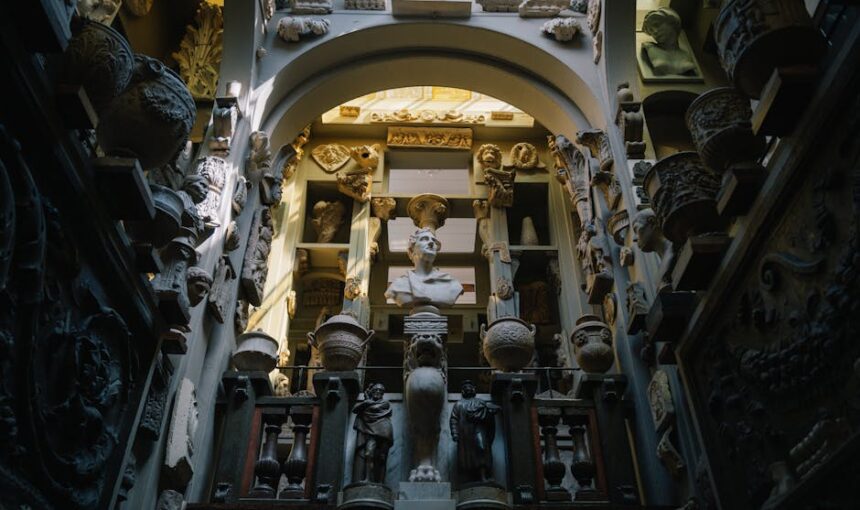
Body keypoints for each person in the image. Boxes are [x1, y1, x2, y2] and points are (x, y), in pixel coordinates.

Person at [384, 227, 464, 309]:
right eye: (424, 239)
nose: (431, 243)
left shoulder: (452, 284)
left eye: (433, 240)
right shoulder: (399, 285)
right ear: (411, 251)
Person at [450, 380, 500, 483]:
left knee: (481, 450)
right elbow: (454, 419)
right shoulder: (458, 404)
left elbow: (488, 417)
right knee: (467, 456)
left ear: (474, 390)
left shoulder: (480, 402)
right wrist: (455, 433)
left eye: (470, 387)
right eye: (465, 387)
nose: (468, 389)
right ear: (462, 391)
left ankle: (483, 476)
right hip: (465, 434)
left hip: (479, 431)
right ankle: (469, 478)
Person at [352, 383, 393, 484]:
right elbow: (355, 410)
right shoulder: (369, 403)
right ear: (372, 392)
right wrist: (367, 401)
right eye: (375, 390)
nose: (378, 392)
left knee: (382, 457)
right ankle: (368, 478)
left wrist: (367, 401)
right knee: (369, 453)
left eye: (380, 391)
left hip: (384, 431)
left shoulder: (385, 403)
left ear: (383, 393)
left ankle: (380, 482)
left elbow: (375, 408)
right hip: (371, 430)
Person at [641, 8, 698, 77]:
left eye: (657, 25)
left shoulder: (686, 54)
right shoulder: (650, 47)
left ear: (671, 22)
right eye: (651, 31)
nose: (655, 32)